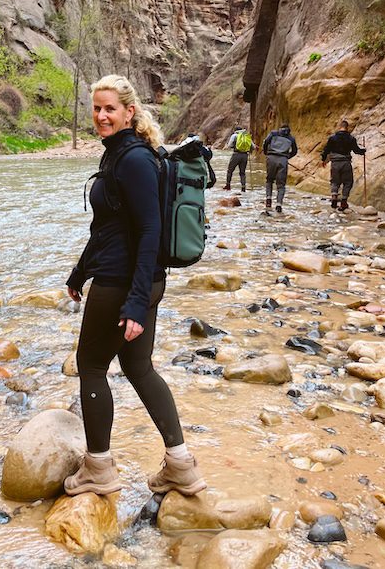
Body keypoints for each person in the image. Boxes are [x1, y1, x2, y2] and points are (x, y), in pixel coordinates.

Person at [64, 74, 206, 497]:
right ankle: (180, 466)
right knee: (138, 367)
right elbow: (107, 228)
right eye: (96, 108)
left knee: (91, 367)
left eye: (110, 108)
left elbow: (149, 230)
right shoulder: (119, 156)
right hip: (123, 279)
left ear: (130, 112)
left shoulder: (135, 160)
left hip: (123, 284)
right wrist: (78, 273)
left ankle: (99, 470)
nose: (102, 115)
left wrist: (137, 299)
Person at [321, 119, 365, 211]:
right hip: (346, 162)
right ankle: (344, 201)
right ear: (347, 127)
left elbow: (326, 150)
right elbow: (356, 150)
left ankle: (334, 196)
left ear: (340, 127)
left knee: (334, 181)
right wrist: (363, 151)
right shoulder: (351, 138)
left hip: (335, 163)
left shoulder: (332, 138)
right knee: (348, 182)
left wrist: (323, 160)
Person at [262, 123, 298, 213]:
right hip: (283, 160)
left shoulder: (273, 133)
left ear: (280, 128)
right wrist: (287, 157)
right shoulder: (291, 138)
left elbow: (266, 142)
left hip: (271, 158)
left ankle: (268, 200)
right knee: (281, 184)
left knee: (269, 180)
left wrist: (266, 152)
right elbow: (295, 151)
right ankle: (279, 204)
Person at [224, 126, 253, 193]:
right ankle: (243, 187)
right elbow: (253, 146)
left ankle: (228, 185)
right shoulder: (246, 136)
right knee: (242, 172)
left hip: (236, 154)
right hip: (245, 155)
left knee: (230, 170)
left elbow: (229, 145)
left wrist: (232, 146)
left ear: (235, 130)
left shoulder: (234, 135)